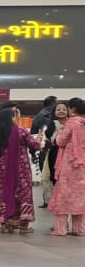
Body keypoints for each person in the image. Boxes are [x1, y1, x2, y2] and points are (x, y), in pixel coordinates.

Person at [0, 105, 40, 234]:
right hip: (21, 170)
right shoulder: (21, 131)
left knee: (6, 193)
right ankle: (23, 225)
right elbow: (35, 145)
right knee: (22, 194)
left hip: (3, 170)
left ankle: (6, 224)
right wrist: (40, 138)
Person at [47, 97, 85, 236]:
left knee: (63, 195)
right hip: (82, 164)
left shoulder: (72, 123)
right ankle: (79, 229)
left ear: (73, 109)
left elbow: (60, 141)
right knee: (79, 196)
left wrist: (59, 133)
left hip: (69, 163)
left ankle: (60, 229)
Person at [40, 101, 67, 209]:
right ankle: (56, 206)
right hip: (54, 156)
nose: (61, 111)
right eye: (58, 109)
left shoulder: (72, 124)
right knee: (53, 181)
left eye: (64, 109)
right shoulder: (50, 127)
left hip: (69, 156)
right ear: (54, 112)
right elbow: (45, 145)